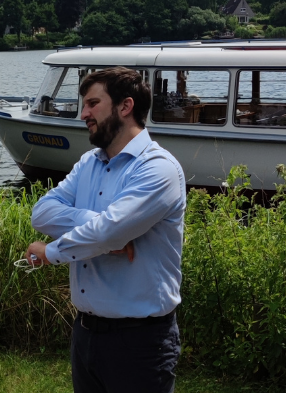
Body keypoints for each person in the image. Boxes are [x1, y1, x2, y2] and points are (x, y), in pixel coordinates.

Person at [24, 67, 186, 393]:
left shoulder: (158, 169)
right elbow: (41, 213)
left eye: (93, 103)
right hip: (85, 333)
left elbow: (107, 235)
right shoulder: (88, 163)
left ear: (125, 107)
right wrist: (101, 225)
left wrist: (49, 253)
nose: (83, 113)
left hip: (140, 341)